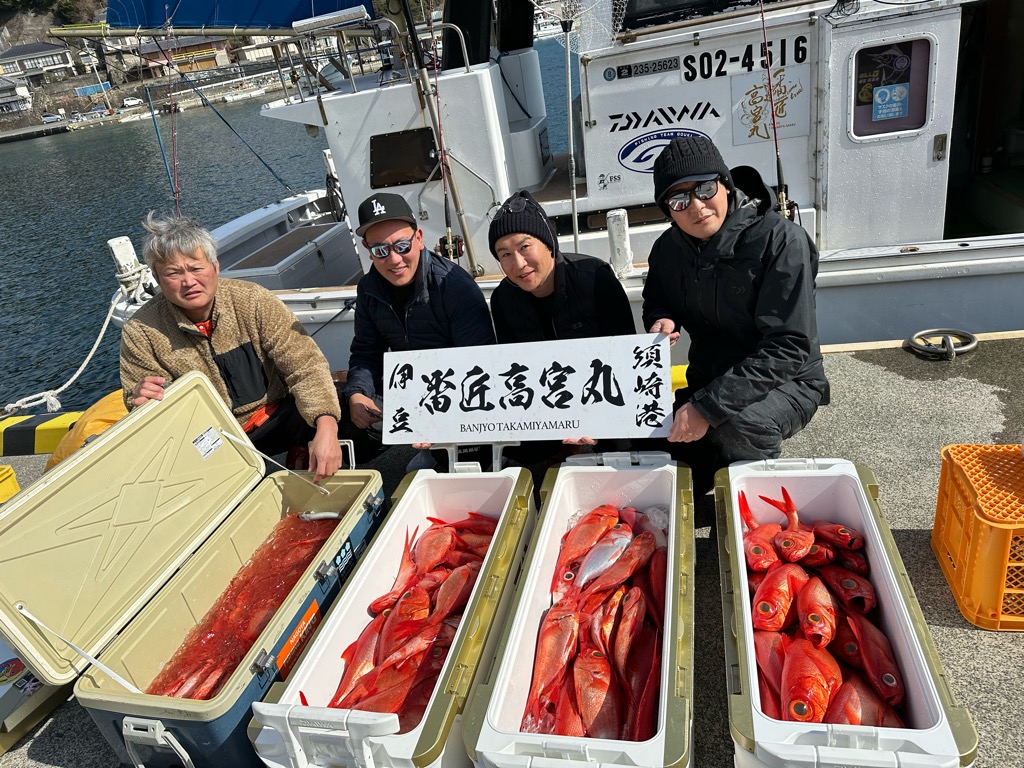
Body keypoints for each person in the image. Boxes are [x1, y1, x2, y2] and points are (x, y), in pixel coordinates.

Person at [642, 135, 829, 494]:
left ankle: (753, 495)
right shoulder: (667, 248)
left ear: (725, 185)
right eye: (679, 199)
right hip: (708, 377)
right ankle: (704, 475)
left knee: (734, 425)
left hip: (787, 381)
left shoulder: (782, 240)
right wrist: (662, 319)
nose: (696, 206)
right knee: (650, 434)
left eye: (705, 188)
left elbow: (789, 347)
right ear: (668, 210)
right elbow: (657, 298)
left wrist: (707, 408)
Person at [120, 213, 343, 482]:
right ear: (158, 278)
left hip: (277, 416)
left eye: (196, 268)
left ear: (215, 266)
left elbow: (304, 365)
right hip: (211, 440)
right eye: (173, 273)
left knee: (348, 417)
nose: (188, 281)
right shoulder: (141, 330)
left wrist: (326, 427)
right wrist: (140, 400)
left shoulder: (252, 300)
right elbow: (138, 401)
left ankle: (303, 451)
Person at [488, 189, 636, 482]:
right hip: (547, 403)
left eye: (525, 247)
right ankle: (555, 455)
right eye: (505, 254)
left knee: (627, 449)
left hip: (602, 396)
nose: (518, 264)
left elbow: (626, 357)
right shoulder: (502, 299)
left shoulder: (596, 277)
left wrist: (594, 417)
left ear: (549, 244)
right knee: (520, 454)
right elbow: (513, 369)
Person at [344, 192, 496, 465]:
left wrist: (435, 418)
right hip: (411, 390)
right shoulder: (368, 289)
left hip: (457, 394)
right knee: (347, 420)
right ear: (367, 249)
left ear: (419, 238)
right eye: (380, 250)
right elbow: (366, 352)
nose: (394, 259)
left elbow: (479, 367)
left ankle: (462, 454)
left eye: (402, 245)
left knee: (462, 467)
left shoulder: (455, 287)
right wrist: (357, 394)